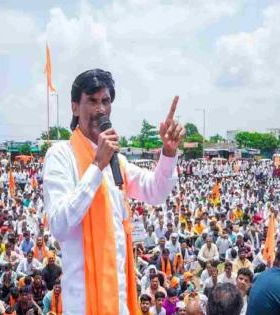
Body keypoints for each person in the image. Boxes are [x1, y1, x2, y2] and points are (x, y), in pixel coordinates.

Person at [43, 69, 184, 315]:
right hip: (83, 306)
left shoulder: (116, 161)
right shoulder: (60, 156)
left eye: (106, 101)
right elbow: (60, 225)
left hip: (119, 303)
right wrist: (97, 166)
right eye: (92, 101)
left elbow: (156, 191)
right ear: (75, 107)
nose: (100, 110)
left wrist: (169, 152)